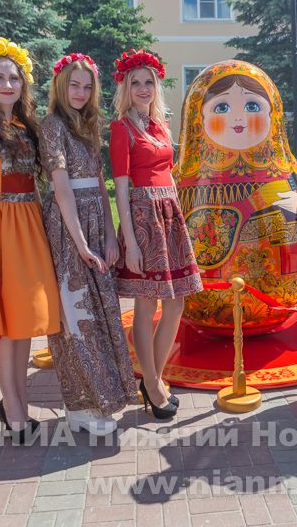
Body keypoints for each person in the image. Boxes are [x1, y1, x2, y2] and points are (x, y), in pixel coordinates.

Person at [0, 37, 60, 441]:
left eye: (14, 78)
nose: (7, 84)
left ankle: (16, 400)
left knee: (23, 321)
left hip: (28, 223)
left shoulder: (25, 126)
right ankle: (13, 406)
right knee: (5, 324)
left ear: (23, 84)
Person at [39, 53, 137, 435]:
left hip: (96, 218)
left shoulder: (89, 125)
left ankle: (103, 398)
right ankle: (80, 404)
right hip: (69, 225)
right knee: (76, 312)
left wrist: (110, 235)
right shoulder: (52, 125)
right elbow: (61, 188)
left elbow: (99, 181)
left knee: (102, 313)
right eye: (73, 85)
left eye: (86, 86)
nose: (80, 93)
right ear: (61, 86)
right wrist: (80, 243)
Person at [110, 49, 202, 420]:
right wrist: (130, 242)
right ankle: (150, 382)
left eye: (149, 82)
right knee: (146, 306)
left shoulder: (160, 125)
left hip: (170, 217)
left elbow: (170, 175)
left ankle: (155, 378)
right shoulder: (121, 129)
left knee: (176, 303)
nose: (143, 89)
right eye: (136, 83)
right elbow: (120, 189)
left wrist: (179, 222)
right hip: (143, 218)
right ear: (126, 88)